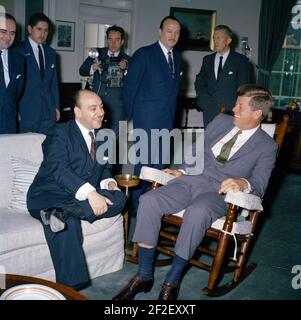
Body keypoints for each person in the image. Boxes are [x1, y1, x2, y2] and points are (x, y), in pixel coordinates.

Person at [113, 84, 278, 300]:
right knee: (149, 200)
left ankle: (172, 281)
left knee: (197, 212)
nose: (234, 109)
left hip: (218, 194)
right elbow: (195, 151)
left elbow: (260, 183)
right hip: (190, 181)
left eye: (240, 106)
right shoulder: (220, 121)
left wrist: (242, 182)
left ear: (257, 113)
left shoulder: (267, 146)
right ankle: (144, 276)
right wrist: (180, 170)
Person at [27, 89, 126, 289]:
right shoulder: (59, 132)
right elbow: (58, 168)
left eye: (101, 107)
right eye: (93, 108)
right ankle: (70, 290)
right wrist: (91, 194)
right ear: (77, 112)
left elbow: (105, 170)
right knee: (66, 225)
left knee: (120, 198)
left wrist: (110, 184)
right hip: (48, 195)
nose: (100, 112)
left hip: (75, 201)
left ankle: (63, 213)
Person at [122, 16, 182, 210]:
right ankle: (137, 205)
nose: (173, 36)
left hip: (167, 118)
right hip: (146, 118)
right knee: (145, 163)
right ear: (160, 31)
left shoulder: (178, 57)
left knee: (160, 163)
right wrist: (130, 115)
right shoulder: (144, 54)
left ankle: (154, 204)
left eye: (177, 32)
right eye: (169, 31)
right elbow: (130, 87)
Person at [79, 25, 130, 137]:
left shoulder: (128, 60)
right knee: (94, 137)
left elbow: (133, 84)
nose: (113, 43)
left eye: (117, 39)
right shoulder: (96, 53)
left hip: (117, 106)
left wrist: (126, 70)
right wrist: (93, 67)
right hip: (96, 104)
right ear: (107, 40)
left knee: (115, 140)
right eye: (110, 39)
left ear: (122, 42)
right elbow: (82, 70)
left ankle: (111, 155)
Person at [195, 25, 250, 127]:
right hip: (209, 111)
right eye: (214, 38)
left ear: (228, 40)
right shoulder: (207, 60)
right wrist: (202, 97)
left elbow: (243, 89)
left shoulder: (240, 61)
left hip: (230, 112)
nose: (215, 41)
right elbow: (200, 80)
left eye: (218, 38)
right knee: (210, 141)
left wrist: (239, 110)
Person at [14, 13, 60, 134]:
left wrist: (56, 107)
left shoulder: (51, 53)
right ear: (30, 29)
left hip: (48, 111)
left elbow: (53, 83)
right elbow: (14, 85)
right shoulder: (17, 50)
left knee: (47, 148)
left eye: (46, 30)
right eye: (39, 29)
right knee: (26, 148)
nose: (43, 34)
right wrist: (15, 109)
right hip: (26, 111)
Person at [0, 13, 24, 133]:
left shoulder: (19, 59)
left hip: (9, 123)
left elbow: (17, 92)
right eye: (3, 31)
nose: (8, 37)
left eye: (12, 33)